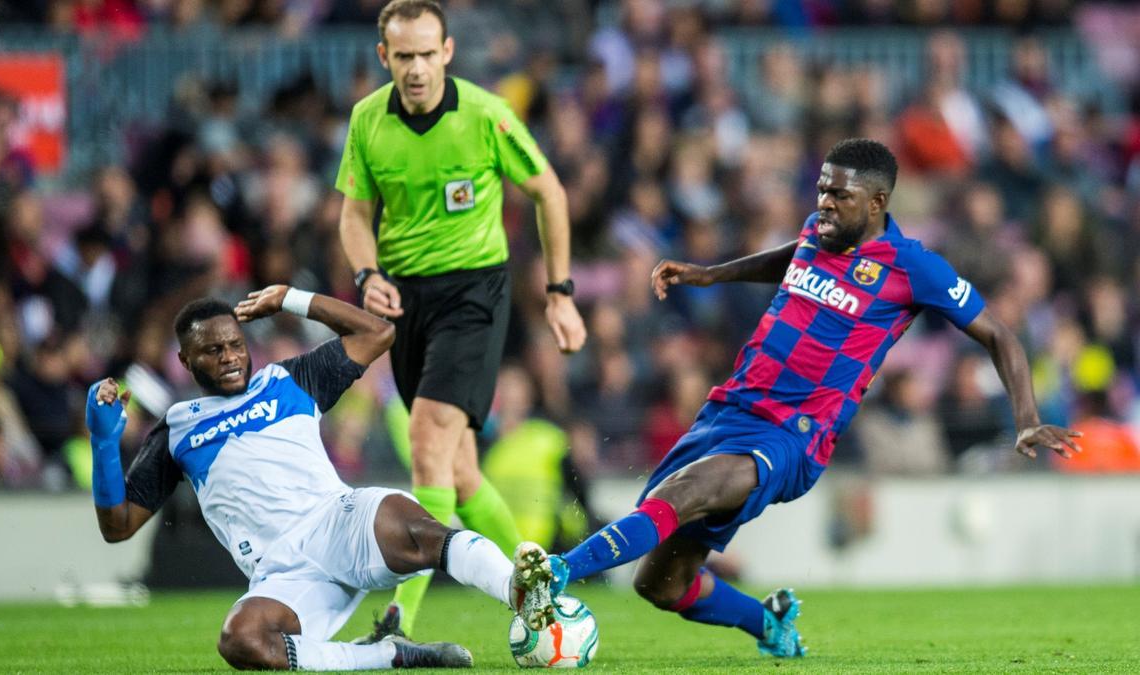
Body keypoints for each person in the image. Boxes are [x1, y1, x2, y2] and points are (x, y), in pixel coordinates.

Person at [543, 139, 1083, 657]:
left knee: (684, 491)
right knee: (661, 584)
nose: (824, 202)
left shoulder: (911, 267)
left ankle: (556, 574)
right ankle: (769, 624)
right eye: (822, 189)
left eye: (839, 195)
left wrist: (1026, 418)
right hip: (729, 408)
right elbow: (791, 256)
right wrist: (712, 275)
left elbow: (999, 335)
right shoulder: (816, 232)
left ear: (877, 203)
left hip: (794, 435)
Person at [85, 284, 557, 671]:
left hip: (340, 522)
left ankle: (522, 594)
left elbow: (377, 332)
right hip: (283, 573)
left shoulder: (288, 379)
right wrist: (104, 444)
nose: (229, 357)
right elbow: (117, 525)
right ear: (186, 361)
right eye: (212, 350)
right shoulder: (177, 427)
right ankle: (387, 654)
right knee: (241, 641)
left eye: (235, 345)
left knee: (420, 528)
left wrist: (291, 297)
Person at [335, 0, 586, 638]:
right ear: (383, 56)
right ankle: (543, 585)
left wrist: (559, 292)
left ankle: (398, 619)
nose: (416, 69)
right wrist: (368, 275)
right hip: (405, 302)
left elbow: (549, 191)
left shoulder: (486, 115)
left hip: (474, 295)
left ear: (446, 52)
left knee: (425, 445)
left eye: (427, 54)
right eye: (403, 56)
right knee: (461, 471)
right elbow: (355, 215)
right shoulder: (368, 121)